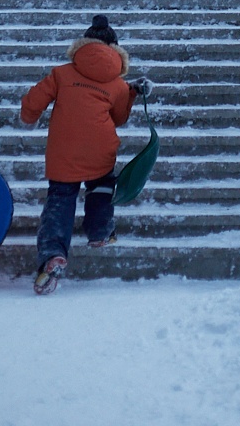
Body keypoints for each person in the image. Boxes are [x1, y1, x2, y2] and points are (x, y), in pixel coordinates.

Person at [20, 15, 152, 295]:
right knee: (102, 187)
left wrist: (28, 115)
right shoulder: (117, 84)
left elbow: (33, 102)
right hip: (100, 149)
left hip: (63, 149)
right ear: (115, 50)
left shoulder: (62, 73)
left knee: (61, 199)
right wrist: (130, 94)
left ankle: (53, 253)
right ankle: (100, 232)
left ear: (82, 46)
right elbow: (118, 118)